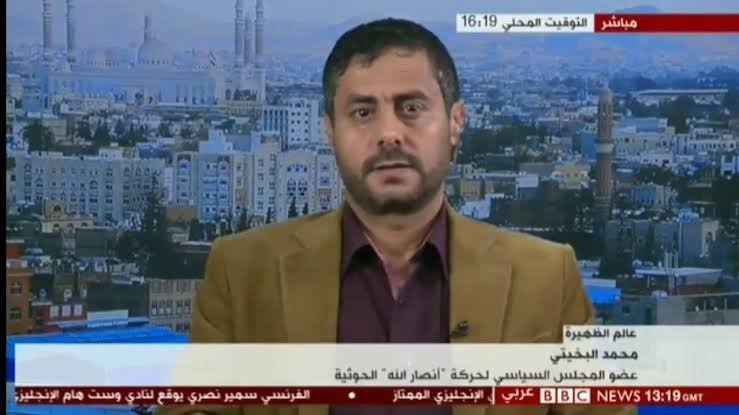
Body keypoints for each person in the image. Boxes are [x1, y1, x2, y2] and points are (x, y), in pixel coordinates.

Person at [157, 18, 635, 415]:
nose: (388, 133)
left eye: (411, 108)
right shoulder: (243, 272)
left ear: (455, 123)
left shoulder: (546, 277)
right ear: (329, 131)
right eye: (363, 113)